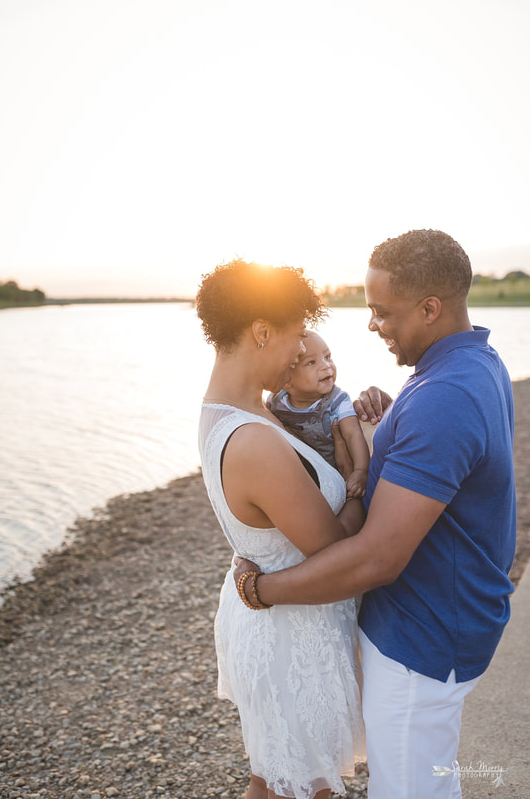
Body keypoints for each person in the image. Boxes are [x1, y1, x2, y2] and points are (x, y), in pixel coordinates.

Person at [234, 230, 517, 799]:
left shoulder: (445, 396)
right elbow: (446, 456)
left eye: (381, 312)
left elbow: (380, 557)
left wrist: (264, 590)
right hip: (444, 616)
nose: (372, 326)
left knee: (410, 789)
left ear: (430, 308)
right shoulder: (473, 364)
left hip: (426, 635)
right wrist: (390, 423)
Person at [196, 259, 366, 799]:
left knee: (274, 785)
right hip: (290, 638)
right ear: (262, 331)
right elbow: (341, 552)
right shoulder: (254, 439)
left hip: (282, 624)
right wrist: (364, 482)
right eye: (296, 336)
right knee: (300, 788)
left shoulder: (248, 411)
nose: (300, 350)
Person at [266, 331, 370, 497]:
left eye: (328, 356)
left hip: (333, 477)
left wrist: (360, 470)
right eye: (311, 362)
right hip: (296, 478)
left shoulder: (338, 401)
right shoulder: (277, 401)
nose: (325, 365)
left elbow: (353, 435)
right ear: (287, 379)